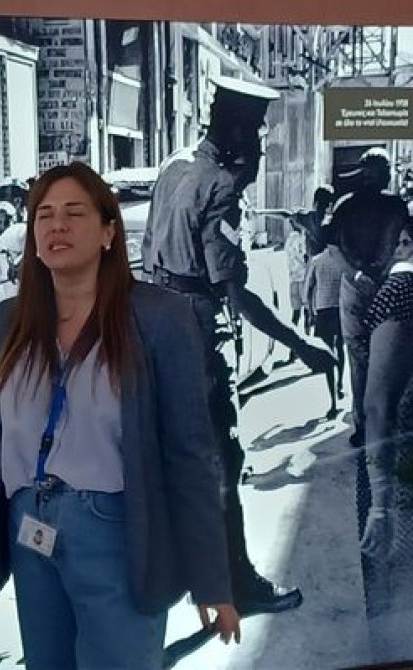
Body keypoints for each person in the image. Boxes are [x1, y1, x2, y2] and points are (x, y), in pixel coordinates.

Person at [0, 162, 239, 669]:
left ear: (109, 231)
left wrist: (210, 579)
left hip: (115, 530)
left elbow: (190, 455)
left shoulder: (159, 316)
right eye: (44, 215)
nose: (57, 225)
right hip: (30, 527)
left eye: (74, 213)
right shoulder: (9, 321)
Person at [143, 75, 335, 619]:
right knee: (224, 464)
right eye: (255, 132)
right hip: (197, 341)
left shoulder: (175, 165)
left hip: (158, 334)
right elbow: (236, 293)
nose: (259, 145)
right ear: (235, 132)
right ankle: (236, 585)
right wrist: (302, 344)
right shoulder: (222, 187)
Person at [328, 148, 408, 448]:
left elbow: (331, 247)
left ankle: (364, 426)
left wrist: (357, 273)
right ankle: (384, 424)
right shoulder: (397, 205)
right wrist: (384, 271)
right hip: (387, 285)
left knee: (359, 357)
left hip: (354, 287)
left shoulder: (345, 205)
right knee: (389, 356)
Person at [358, 221, 413, 655]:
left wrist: (380, 503)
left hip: (400, 481)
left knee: (395, 606)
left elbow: (377, 405)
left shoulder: (399, 290)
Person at [304, 242, 351, 419]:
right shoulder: (344, 260)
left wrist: (311, 311)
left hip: (323, 310)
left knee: (328, 351)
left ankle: (333, 401)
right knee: (341, 348)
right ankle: (340, 385)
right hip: (341, 308)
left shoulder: (317, 261)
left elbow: (307, 290)